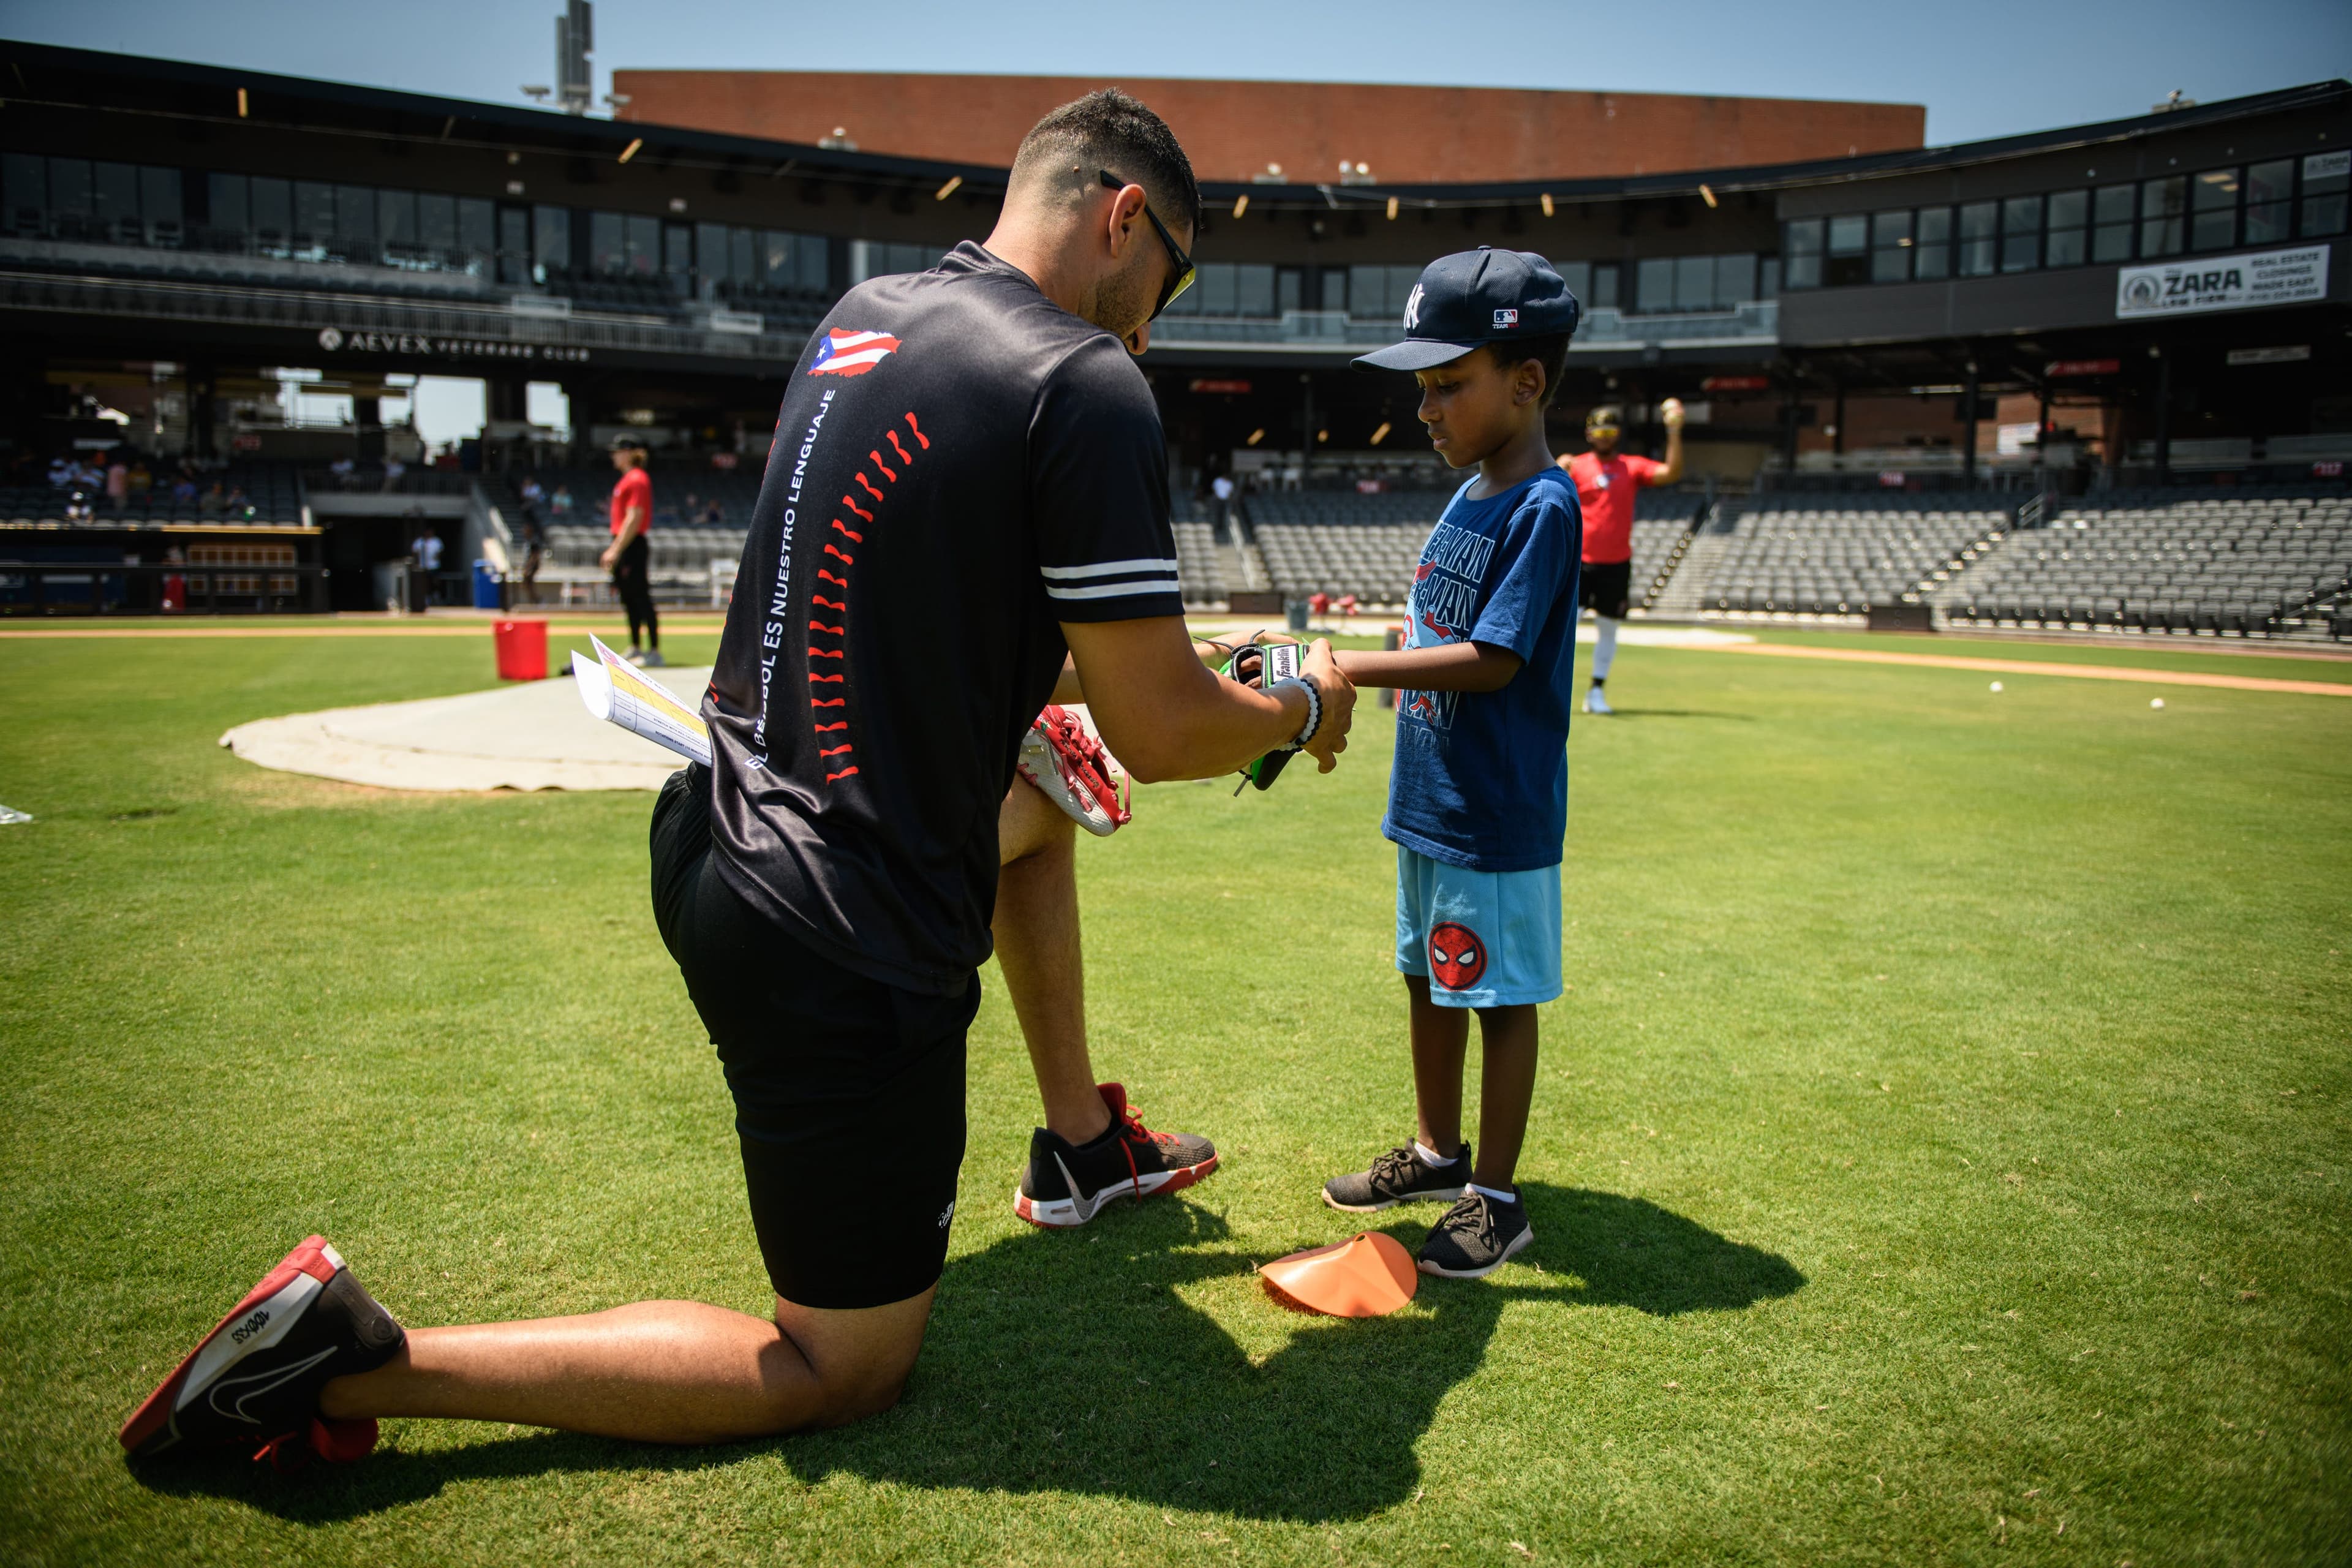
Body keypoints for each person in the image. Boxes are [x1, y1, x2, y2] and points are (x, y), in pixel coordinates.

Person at [120, 88, 1354, 1463]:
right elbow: (1164, 731)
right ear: (1127, 217)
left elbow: (946, 633)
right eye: (1165, 286)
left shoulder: (861, 321)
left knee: (1039, 812)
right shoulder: (1084, 379)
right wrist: (1300, 703)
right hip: (836, 930)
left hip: (710, 832)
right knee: (838, 1364)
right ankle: (348, 1361)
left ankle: (1079, 1138)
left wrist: (1157, 683)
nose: (1151, 328)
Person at [1317, 247, 1583, 1278]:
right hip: (1430, 800)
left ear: (1525, 383)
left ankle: (1500, 1201)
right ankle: (1437, 1155)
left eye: (1447, 385)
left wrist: (1351, 665)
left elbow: (1494, 658)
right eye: (1420, 389)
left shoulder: (1542, 506)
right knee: (1428, 979)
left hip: (1495, 812)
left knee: (1497, 993)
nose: (1424, 408)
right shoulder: (1473, 490)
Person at [1556, 398, 1682, 715]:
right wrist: (1558, 466)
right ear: (1589, 434)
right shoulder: (1576, 466)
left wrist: (1675, 432)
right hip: (1580, 562)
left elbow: (1670, 473)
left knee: (1609, 630)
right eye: (1600, 430)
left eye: (1611, 430)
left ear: (1618, 434)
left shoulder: (1632, 466)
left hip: (1616, 564)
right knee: (1562, 630)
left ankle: (1596, 692)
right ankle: (1553, 690)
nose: (1605, 436)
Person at [600, 435, 662, 666]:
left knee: (640, 596)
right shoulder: (628, 479)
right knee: (629, 598)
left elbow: (634, 517)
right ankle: (636, 646)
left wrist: (615, 549)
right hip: (626, 543)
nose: (613, 456)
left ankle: (654, 650)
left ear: (628, 453)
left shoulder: (637, 479)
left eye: (617, 452)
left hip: (632, 543)